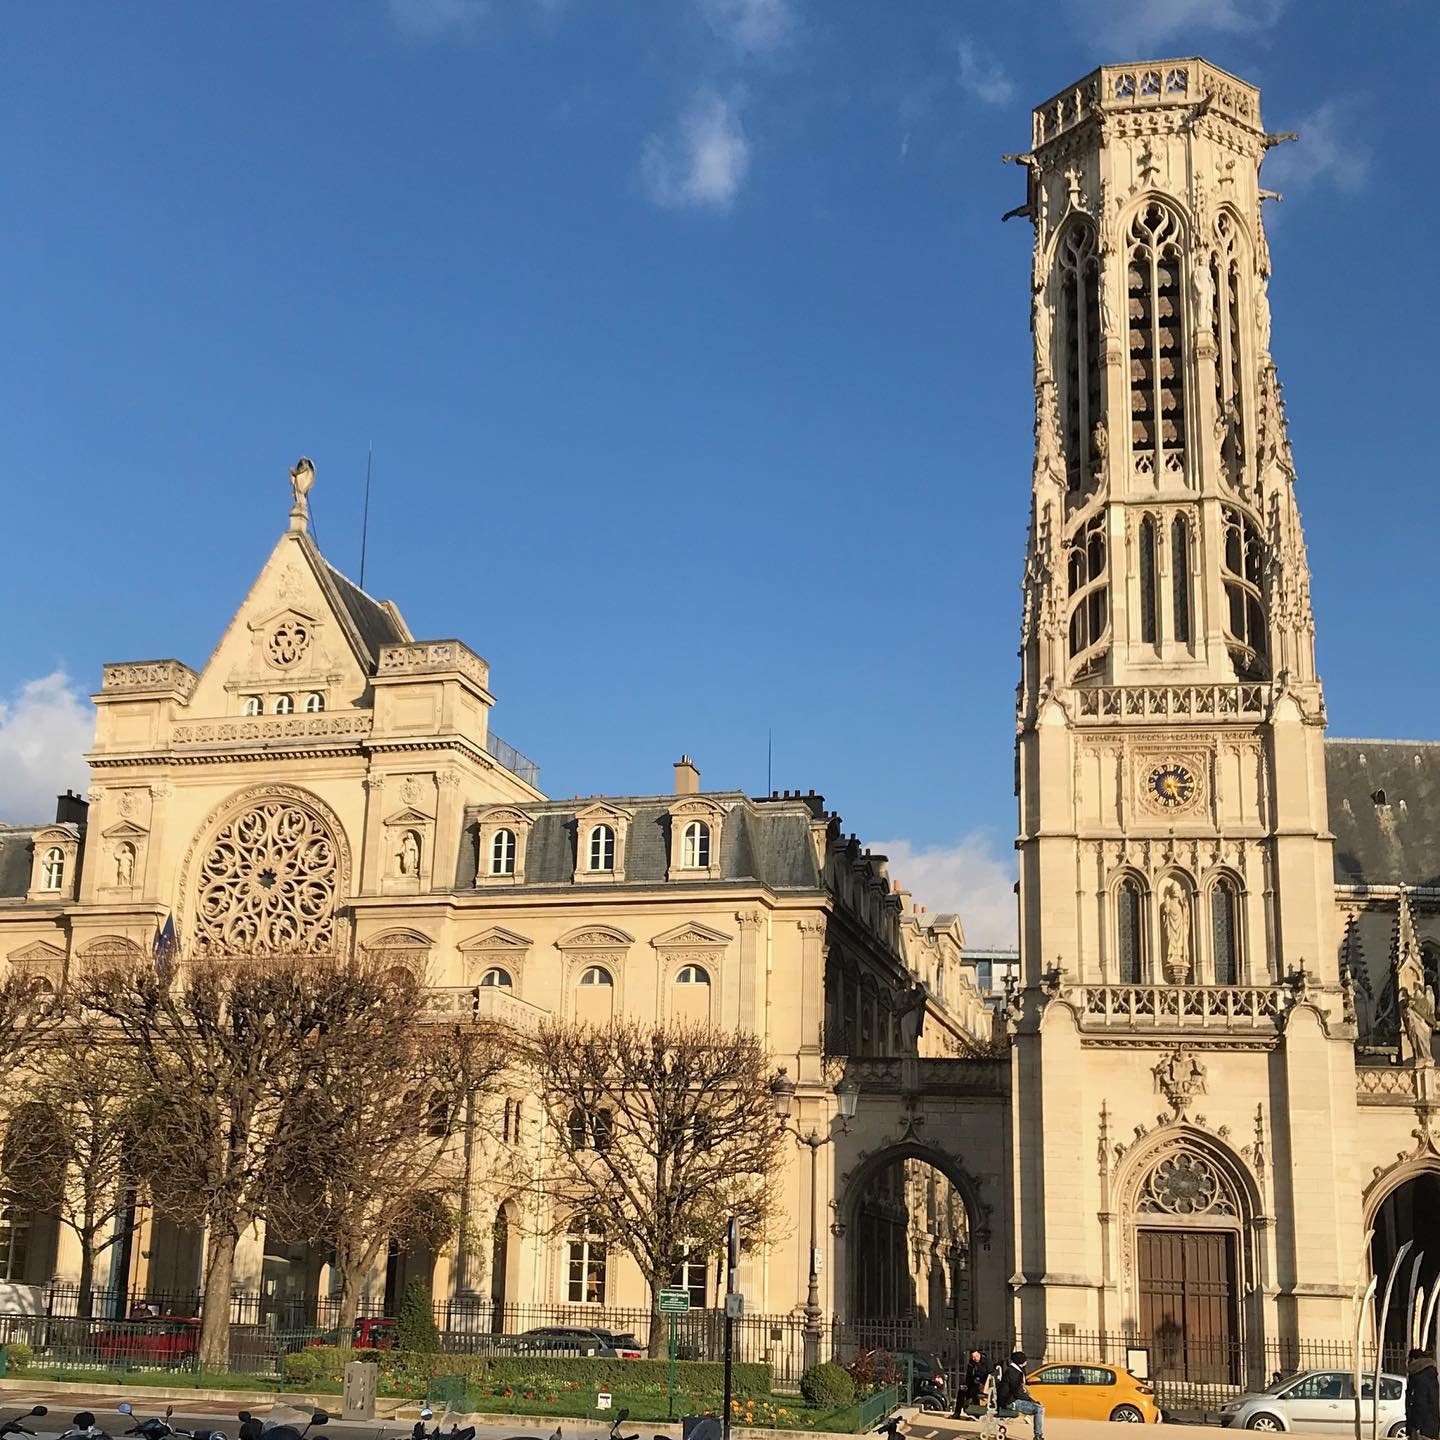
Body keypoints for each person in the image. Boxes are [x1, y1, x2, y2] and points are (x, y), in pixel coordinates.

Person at [997, 1350, 1045, 1440]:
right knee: (1039, 1408)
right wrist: (1031, 1400)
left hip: (1010, 1399)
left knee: (1038, 1407)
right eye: (1025, 1360)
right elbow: (1017, 1391)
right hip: (1009, 1402)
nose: (1026, 1362)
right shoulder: (1014, 1373)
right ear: (1021, 1362)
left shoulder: (1015, 1371)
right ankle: (1038, 1436)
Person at [1407, 1347, 1439, 1440]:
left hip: (1421, 1427)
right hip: (1431, 1424)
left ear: (1413, 1359)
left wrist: (1417, 1426)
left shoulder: (1419, 1377)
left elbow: (1420, 1402)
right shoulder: (1430, 1375)